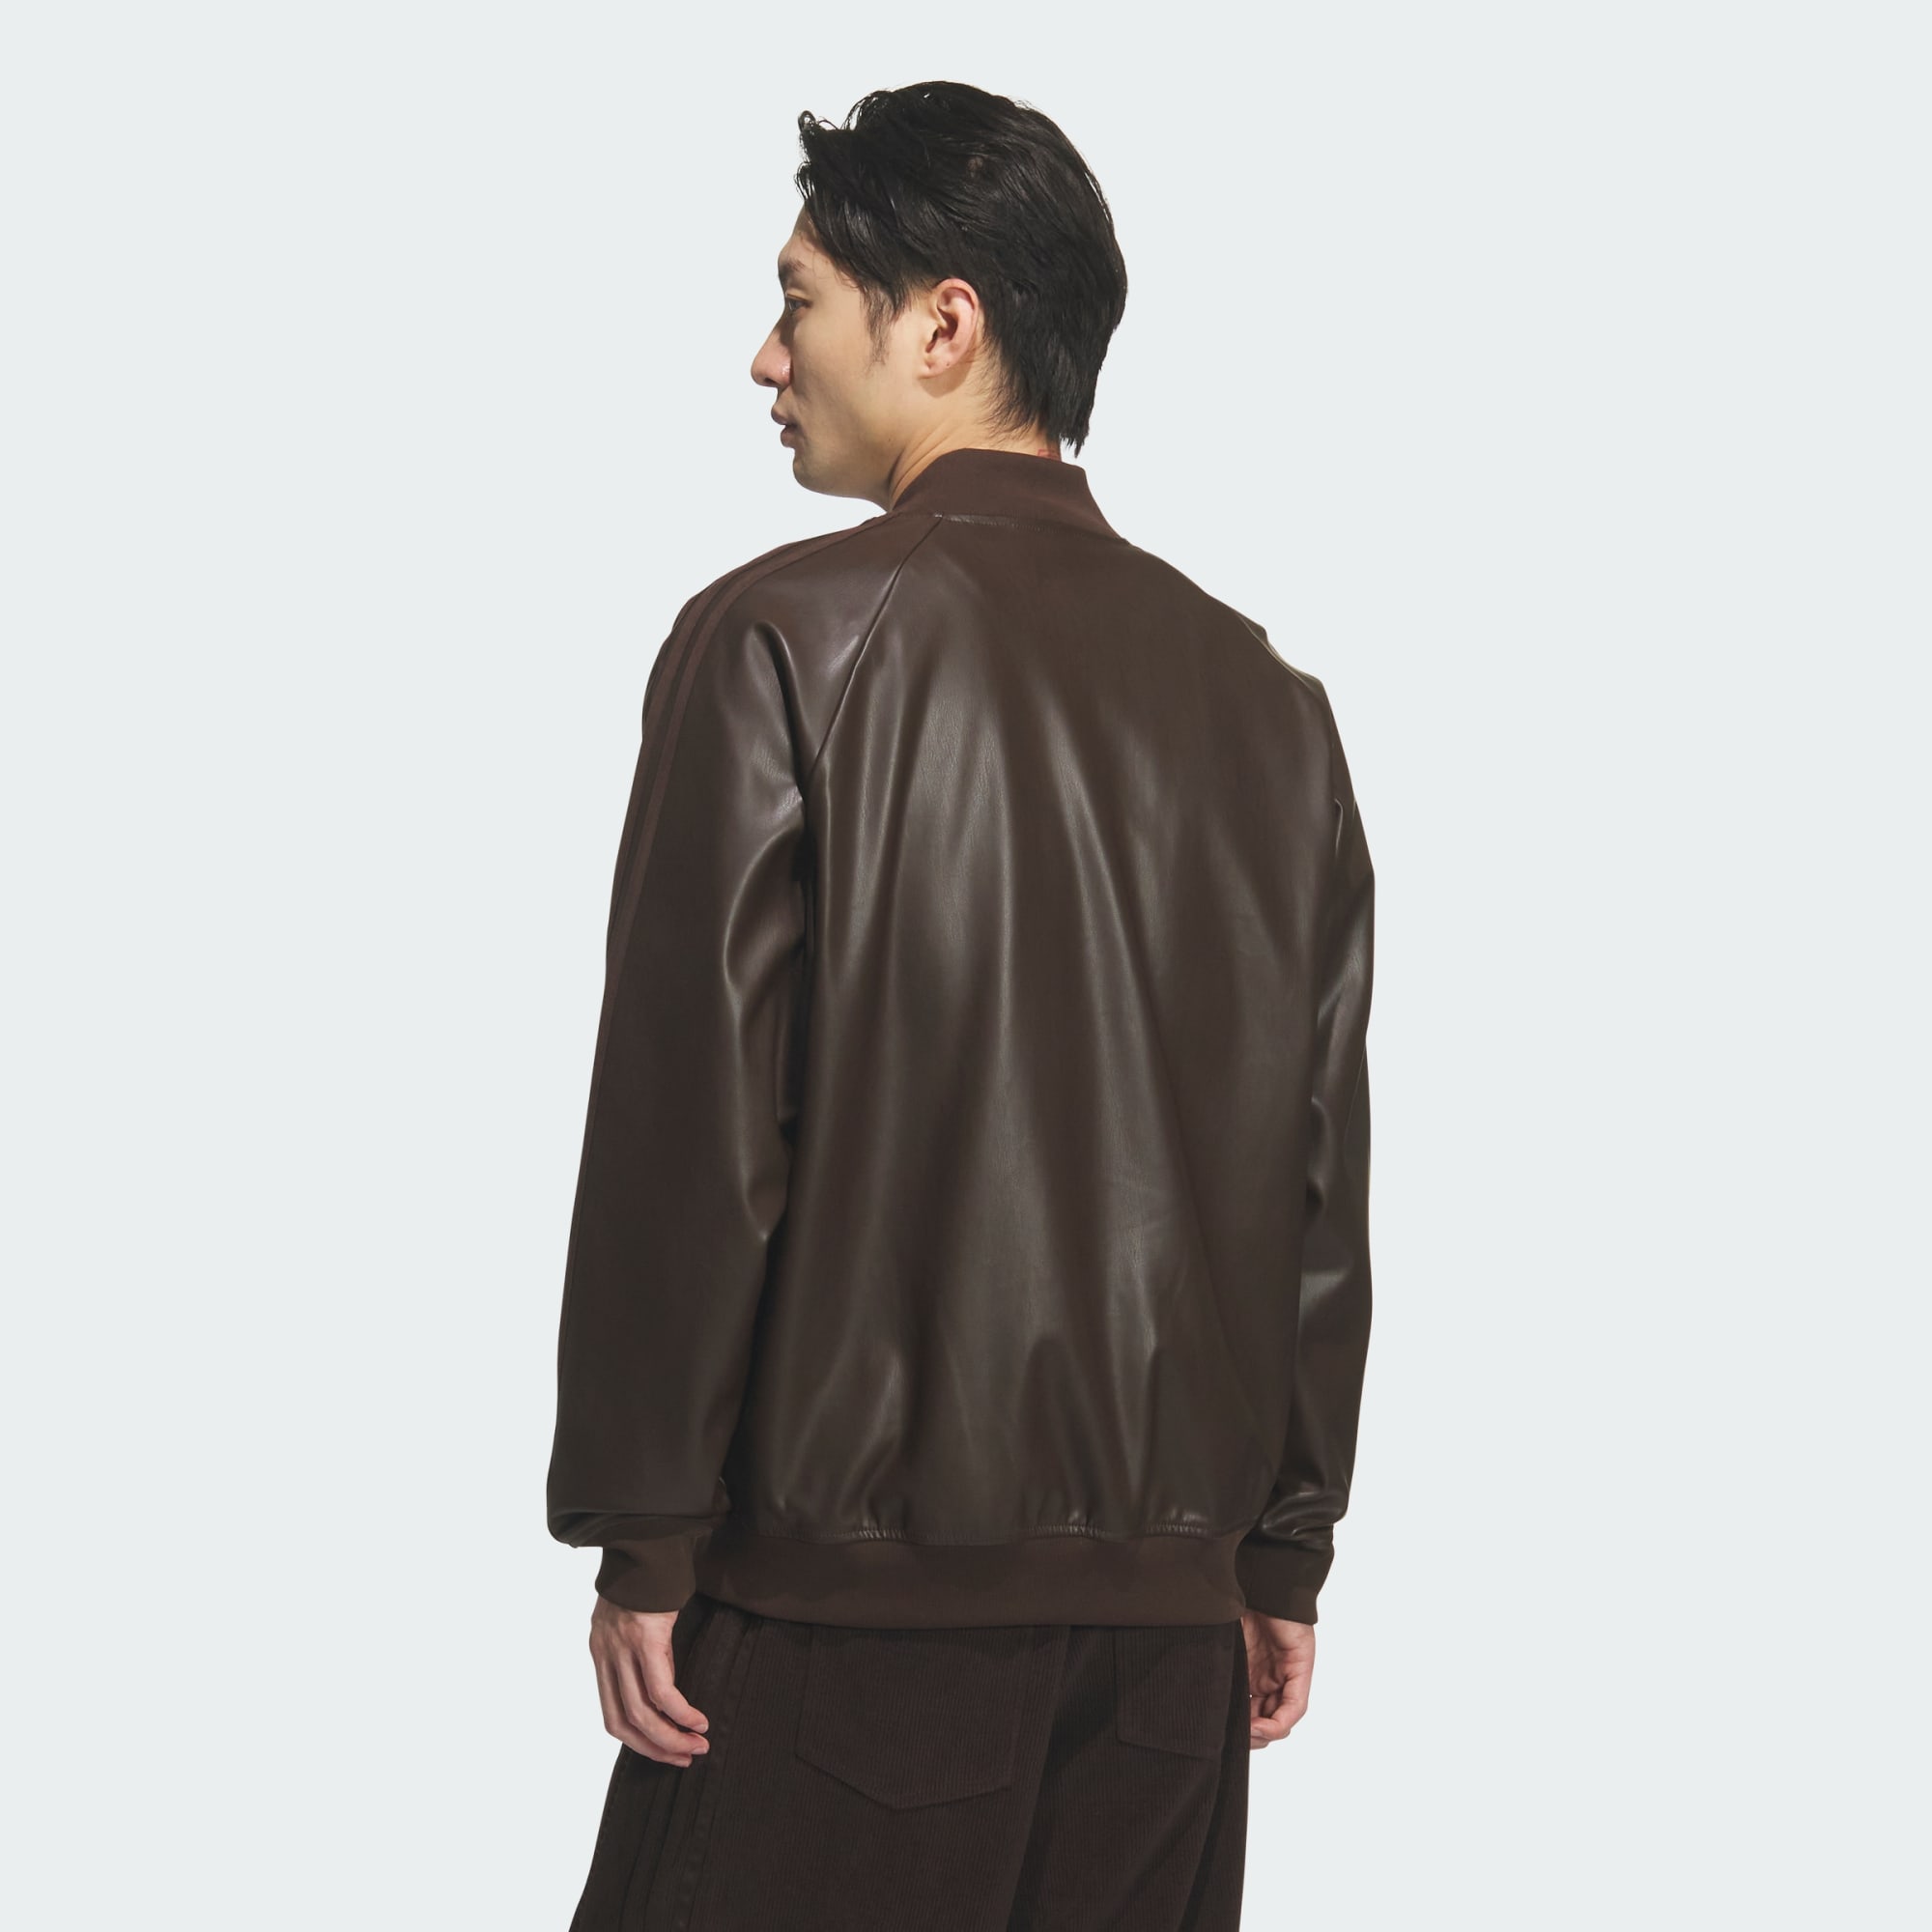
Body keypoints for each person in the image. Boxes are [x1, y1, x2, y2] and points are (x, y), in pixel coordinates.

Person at [546, 79, 1375, 1932]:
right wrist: (1279, 1552)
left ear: (943, 324)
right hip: (1167, 1669)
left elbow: (697, 1127)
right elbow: (1319, 1180)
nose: (765, 359)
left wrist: (643, 1528)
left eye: (798, 302)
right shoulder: (1273, 709)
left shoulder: (780, 639)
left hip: (848, 1631)